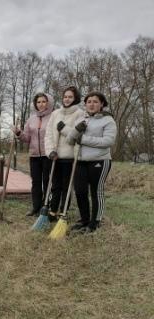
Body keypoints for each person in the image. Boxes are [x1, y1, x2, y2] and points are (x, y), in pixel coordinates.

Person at [67, 92, 117, 232]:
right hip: (80, 161)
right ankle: (84, 220)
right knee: (80, 191)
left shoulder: (108, 120)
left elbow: (108, 141)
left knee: (96, 192)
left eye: (95, 101)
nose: (92, 104)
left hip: (100, 161)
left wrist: (83, 139)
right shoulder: (81, 119)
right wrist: (76, 131)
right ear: (85, 104)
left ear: (102, 104)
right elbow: (70, 140)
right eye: (89, 101)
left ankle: (95, 223)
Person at [45, 86, 85, 221]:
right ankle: (53, 210)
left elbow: (77, 135)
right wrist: (50, 151)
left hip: (70, 158)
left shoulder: (80, 113)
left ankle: (63, 211)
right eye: (65, 97)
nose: (67, 99)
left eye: (70, 97)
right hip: (55, 156)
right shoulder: (55, 113)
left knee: (66, 187)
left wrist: (64, 129)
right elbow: (49, 134)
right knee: (55, 186)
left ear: (75, 99)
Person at [13, 93, 54, 216]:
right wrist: (19, 133)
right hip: (34, 156)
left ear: (49, 103)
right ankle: (36, 207)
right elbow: (27, 138)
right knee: (35, 182)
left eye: (43, 101)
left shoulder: (54, 116)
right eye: (38, 102)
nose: (41, 104)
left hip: (49, 155)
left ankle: (46, 206)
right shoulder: (31, 119)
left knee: (47, 182)